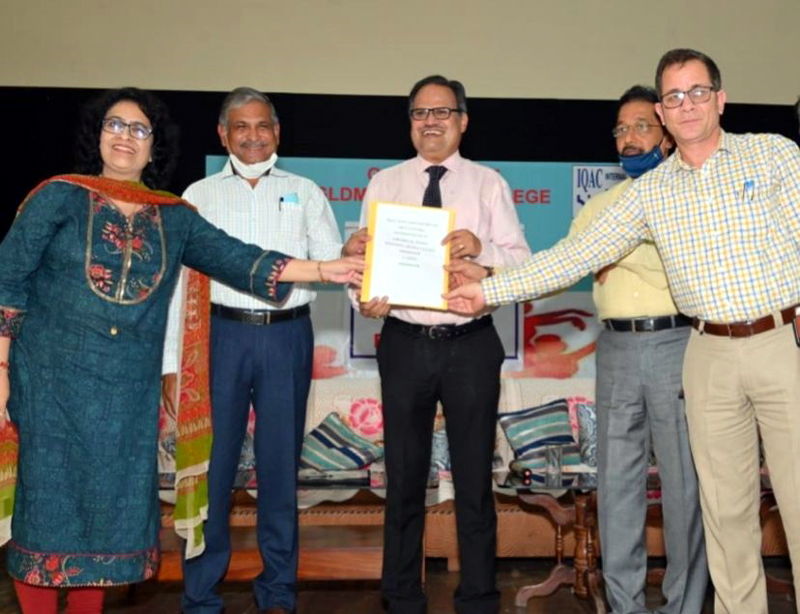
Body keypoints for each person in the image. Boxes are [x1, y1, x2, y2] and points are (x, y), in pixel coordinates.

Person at [446, 49, 800, 614]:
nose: (687, 105)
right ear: (664, 111)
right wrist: (488, 289)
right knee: (725, 514)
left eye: (698, 92)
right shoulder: (649, 194)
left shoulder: (774, 153)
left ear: (720, 98)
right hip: (706, 354)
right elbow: (574, 256)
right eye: (674, 96)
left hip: (781, 343)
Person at [0, 87, 362, 614]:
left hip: (126, 391)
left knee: (106, 510)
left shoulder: (172, 215)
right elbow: (7, 279)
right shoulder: (57, 196)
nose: (125, 137)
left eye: (139, 129)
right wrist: (1, 368)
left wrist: (326, 269)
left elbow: (239, 259)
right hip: (50, 384)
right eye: (115, 125)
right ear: (96, 135)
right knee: (48, 505)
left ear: (154, 146)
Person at [162, 86, 359, 614]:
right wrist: (171, 364)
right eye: (241, 126)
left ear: (278, 132)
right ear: (223, 134)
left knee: (279, 471)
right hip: (219, 338)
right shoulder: (198, 195)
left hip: (286, 337)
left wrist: (356, 253)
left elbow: (329, 262)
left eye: (263, 125)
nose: (253, 136)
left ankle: (278, 592)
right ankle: (200, 595)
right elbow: (179, 284)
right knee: (212, 470)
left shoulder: (305, 191)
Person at [355, 75, 530, 614]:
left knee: (474, 480)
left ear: (463, 121)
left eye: (442, 112)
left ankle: (478, 596)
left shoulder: (488, 184)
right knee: (404, 478)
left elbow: (523, 263)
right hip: (404, 342)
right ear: (410, 122)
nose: (430, 122)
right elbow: (362, 261)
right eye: (420, 113)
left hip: (470, 344)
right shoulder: (384, 184)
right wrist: (364, 297)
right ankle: (400, 595)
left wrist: (483, 250)